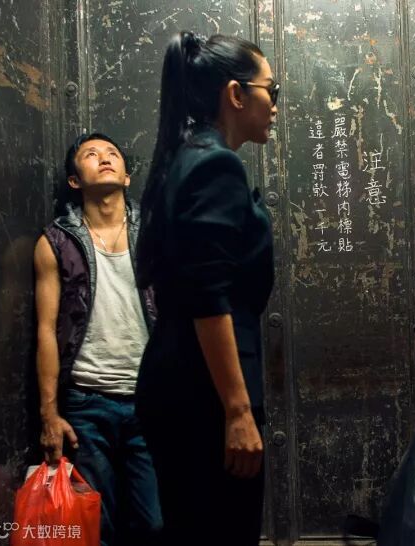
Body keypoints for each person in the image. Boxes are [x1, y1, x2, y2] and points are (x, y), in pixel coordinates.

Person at [134, 31, 277, 545]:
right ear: (236, 94)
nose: (275, 105)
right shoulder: (216, 164)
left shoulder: (187, 155)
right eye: (270, 91)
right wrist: (237, 411)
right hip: (204, 397)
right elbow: (207, 297)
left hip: (185, 387)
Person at [34, 132, 162, 546]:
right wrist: (49, 415)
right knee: (93, 528)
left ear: (126, 177)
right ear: (75, 180)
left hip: (150, 400)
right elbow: (46, 330)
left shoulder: (156, 232)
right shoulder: (56, 242)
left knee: (156, 524)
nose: (104, 158)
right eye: (91, 154)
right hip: (86, 404)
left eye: (112, 153)